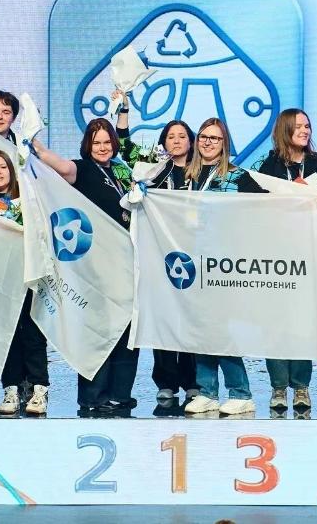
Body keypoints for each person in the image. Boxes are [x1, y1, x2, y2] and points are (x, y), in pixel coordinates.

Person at [32, 118, 138, 414]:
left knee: (128, 330)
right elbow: (58, 164)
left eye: (107, 142)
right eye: (96, 143)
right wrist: (34, 144)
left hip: (129, 264)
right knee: (100, 329)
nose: (102, 148)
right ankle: (93, 396)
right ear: (87, 146)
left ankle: (120, 394)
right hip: (97, 268)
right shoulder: (81, 169)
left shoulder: (122, 172)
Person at [112, 90, 199, 402]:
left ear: (191, 141)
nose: (176, 141)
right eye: (171, 137)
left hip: (194, 254)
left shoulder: (201, 172)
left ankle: (193, 381)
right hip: (159, 253)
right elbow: (123, 146)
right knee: (162, 317)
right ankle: (166, 381)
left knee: (190, 318)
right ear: (163, 142)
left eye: (182, 136)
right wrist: (124, 109)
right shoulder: (153, 169)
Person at [255, 108, 317, 411]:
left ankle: (301, 387)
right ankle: (278, 387)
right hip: (276, 255)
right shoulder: (269, 165)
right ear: (285, 130)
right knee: (276, 322)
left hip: (310, 253)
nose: (305, 131)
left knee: (304, 321)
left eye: (307, 126)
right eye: (298, 126)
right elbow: (251, 203)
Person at [182, 118, 264, 417]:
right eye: (203, 136)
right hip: (192, 262)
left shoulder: (237, 176)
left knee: (220, 328)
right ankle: (207, 391)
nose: (207, 142)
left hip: (223, 264)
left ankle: (241, 393)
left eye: (215, 138)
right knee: (201, 328)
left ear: (224, 144)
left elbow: (268, 206)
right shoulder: (187, 175)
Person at [0, 150, 51, 415]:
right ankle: (11, 389)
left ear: (11, 170)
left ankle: (39, 389)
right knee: (7, 334)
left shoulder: (28, 196)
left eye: (2, 167)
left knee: (33, 333)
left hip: (29, 274)